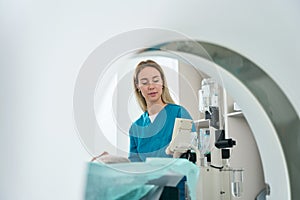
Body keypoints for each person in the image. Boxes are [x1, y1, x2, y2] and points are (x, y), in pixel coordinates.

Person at [128, 59, 195, 200]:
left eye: (155, 80)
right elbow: (134, 166)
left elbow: (191, 153)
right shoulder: (135, 128)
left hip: (176, 191)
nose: (151, 86)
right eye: (145, 82)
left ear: (162, 83)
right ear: (138, 86)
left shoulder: (178, 113)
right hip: (147, 192)